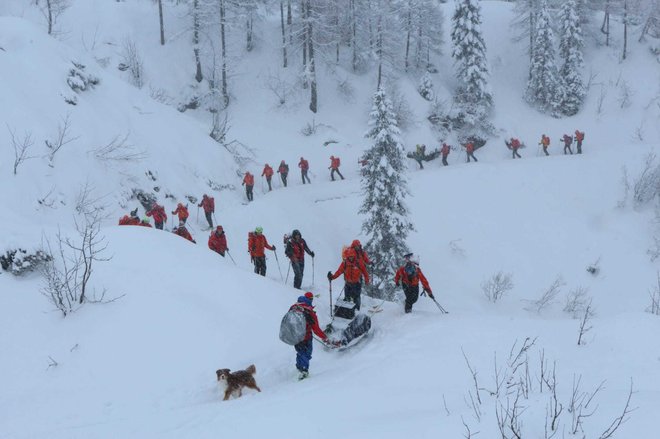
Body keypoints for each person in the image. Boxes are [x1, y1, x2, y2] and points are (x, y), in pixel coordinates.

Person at [288, 292, 333, 380]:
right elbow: (316, 329)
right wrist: (325, 338)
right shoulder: (309, 311)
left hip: (295, 336)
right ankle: (304, 371)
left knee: (300, 351)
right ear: (311, 299)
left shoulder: (293, 307)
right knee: (306, 354)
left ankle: (299, 367)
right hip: (306, 337)